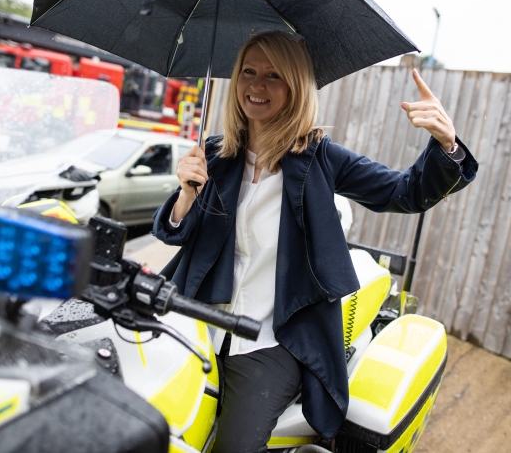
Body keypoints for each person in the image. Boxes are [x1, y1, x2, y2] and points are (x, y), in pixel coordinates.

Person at [152, 31, 478, 452]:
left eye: (274, 75)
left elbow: (405, 192)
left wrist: (445, 144)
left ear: (296, 87)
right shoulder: (216, 154)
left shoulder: (321, 157)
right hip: (195, 324)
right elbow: (173, 232)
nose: (257, 85)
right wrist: (187, 192)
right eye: (249, 72)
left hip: (272, 339)